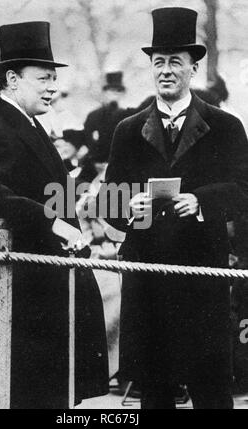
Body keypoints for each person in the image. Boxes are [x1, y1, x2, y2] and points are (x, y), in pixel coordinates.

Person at [0, 21, 108, 409]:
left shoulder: (28, 124)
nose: (52, 87)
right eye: (43, 78)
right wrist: (52, 221)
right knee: (26, 394)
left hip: (45, 290)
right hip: (21, 292)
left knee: (50, 395)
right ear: (11, 79)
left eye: (54, 78)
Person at [103, 7, 248, 409]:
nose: (166, 71)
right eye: (159, 62)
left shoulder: (225, 127)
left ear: (193, 69)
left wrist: (201, 201)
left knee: (212, 391)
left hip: (202, 279)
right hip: (149, 283)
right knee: (155, 392)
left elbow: (243, 189)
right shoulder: (128, 131)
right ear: (151, 67)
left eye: (176, 63)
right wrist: (129, 205)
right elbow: (108, 200)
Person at [84, 71, 132, 163]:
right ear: (105, 92)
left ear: (122, 94)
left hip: (121, 162)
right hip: (97, 162)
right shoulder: (93, 116)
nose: (114, 94)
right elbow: (88, 139)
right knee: (71, 176)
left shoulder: (128, 115)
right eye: (111, 90)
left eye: (118, 90)